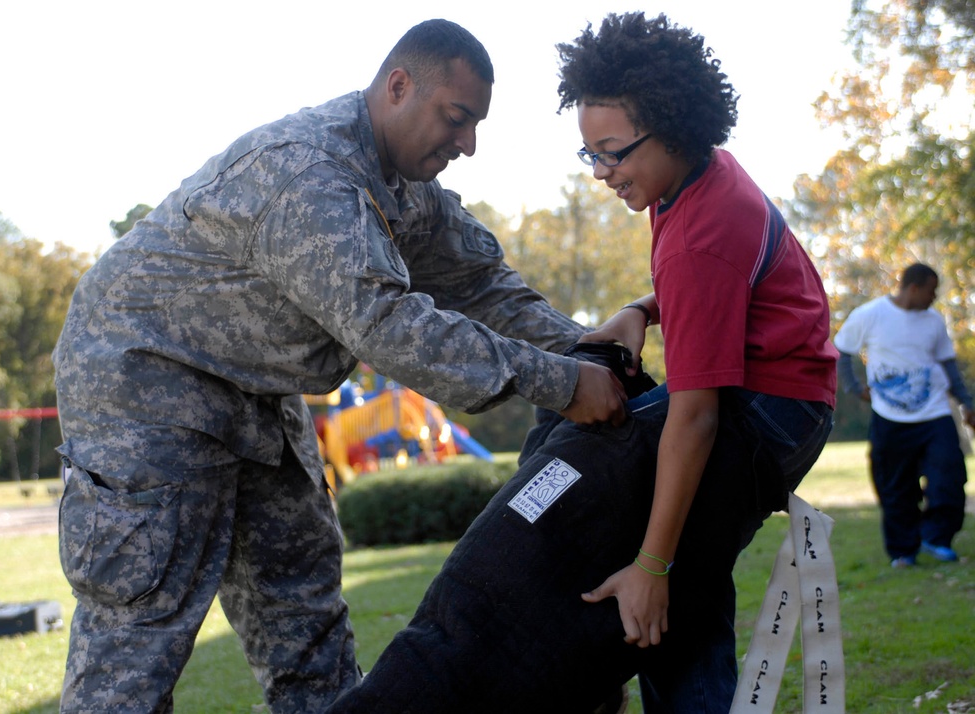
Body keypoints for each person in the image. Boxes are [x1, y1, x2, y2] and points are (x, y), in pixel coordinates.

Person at [51, 19, 628, 714]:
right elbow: (390, 326)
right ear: (397, 86)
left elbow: (484, 285)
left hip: (254, 390)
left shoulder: (404, 185)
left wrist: (593, 354)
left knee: (303, 610)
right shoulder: (310, 174)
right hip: (143, 385)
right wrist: (563, 385)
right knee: (136, 641)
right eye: (457, 117)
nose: (469, 144)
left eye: (476, 124)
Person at [325, 12, 837, 714]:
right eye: (589, 154)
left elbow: (694, 418)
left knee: (576, 512)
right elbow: (723, 288)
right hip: (790, 404)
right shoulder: (698, 178)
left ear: (674, 125)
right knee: (686, 581)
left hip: (765, 414)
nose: (602, 172)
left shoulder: (698, 231)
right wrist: (643, 308)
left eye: (614, 153)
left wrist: (651, 565)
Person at [833, 262, 974, 567]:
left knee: (949, 478)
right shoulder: (870, 315)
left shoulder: (934, 321)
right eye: (931, 289)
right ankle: (903, 551)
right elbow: (842, 351)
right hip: (890, 417)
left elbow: (948, 366)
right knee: (895, 487)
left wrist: (967, 403)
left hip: (935, 413)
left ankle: (936, 539)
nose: (935, 296)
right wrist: (855, 388)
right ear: (914, 287)